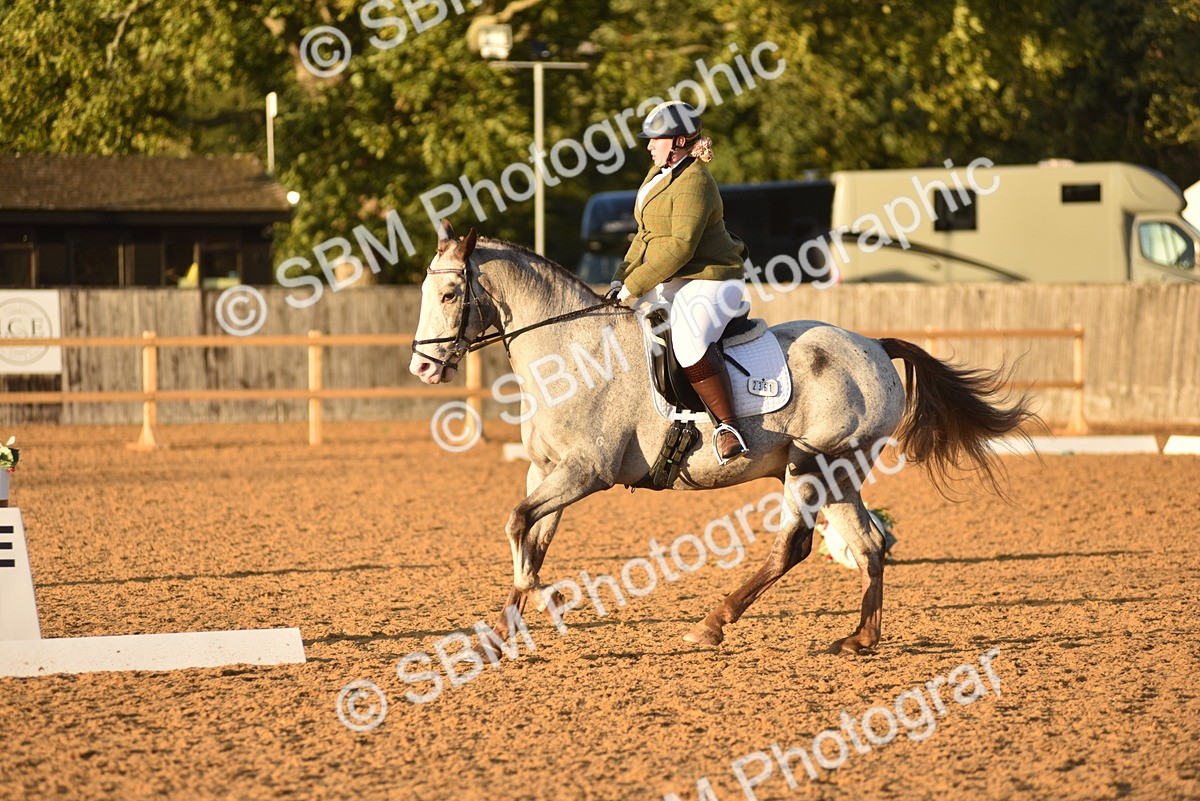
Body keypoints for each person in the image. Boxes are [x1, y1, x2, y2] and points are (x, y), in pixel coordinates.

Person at [609, 101, 751, 464]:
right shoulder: (657, 175)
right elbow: (644, 236)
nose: (648, 146)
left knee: (688, 343)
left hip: (712, 278)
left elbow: (681, 246)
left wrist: (635, 286)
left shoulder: (695, 182)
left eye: (655, 139)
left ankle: (729, 427)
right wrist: (619, 279)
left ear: (680, 141)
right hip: (674, 279)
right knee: (628, 330)